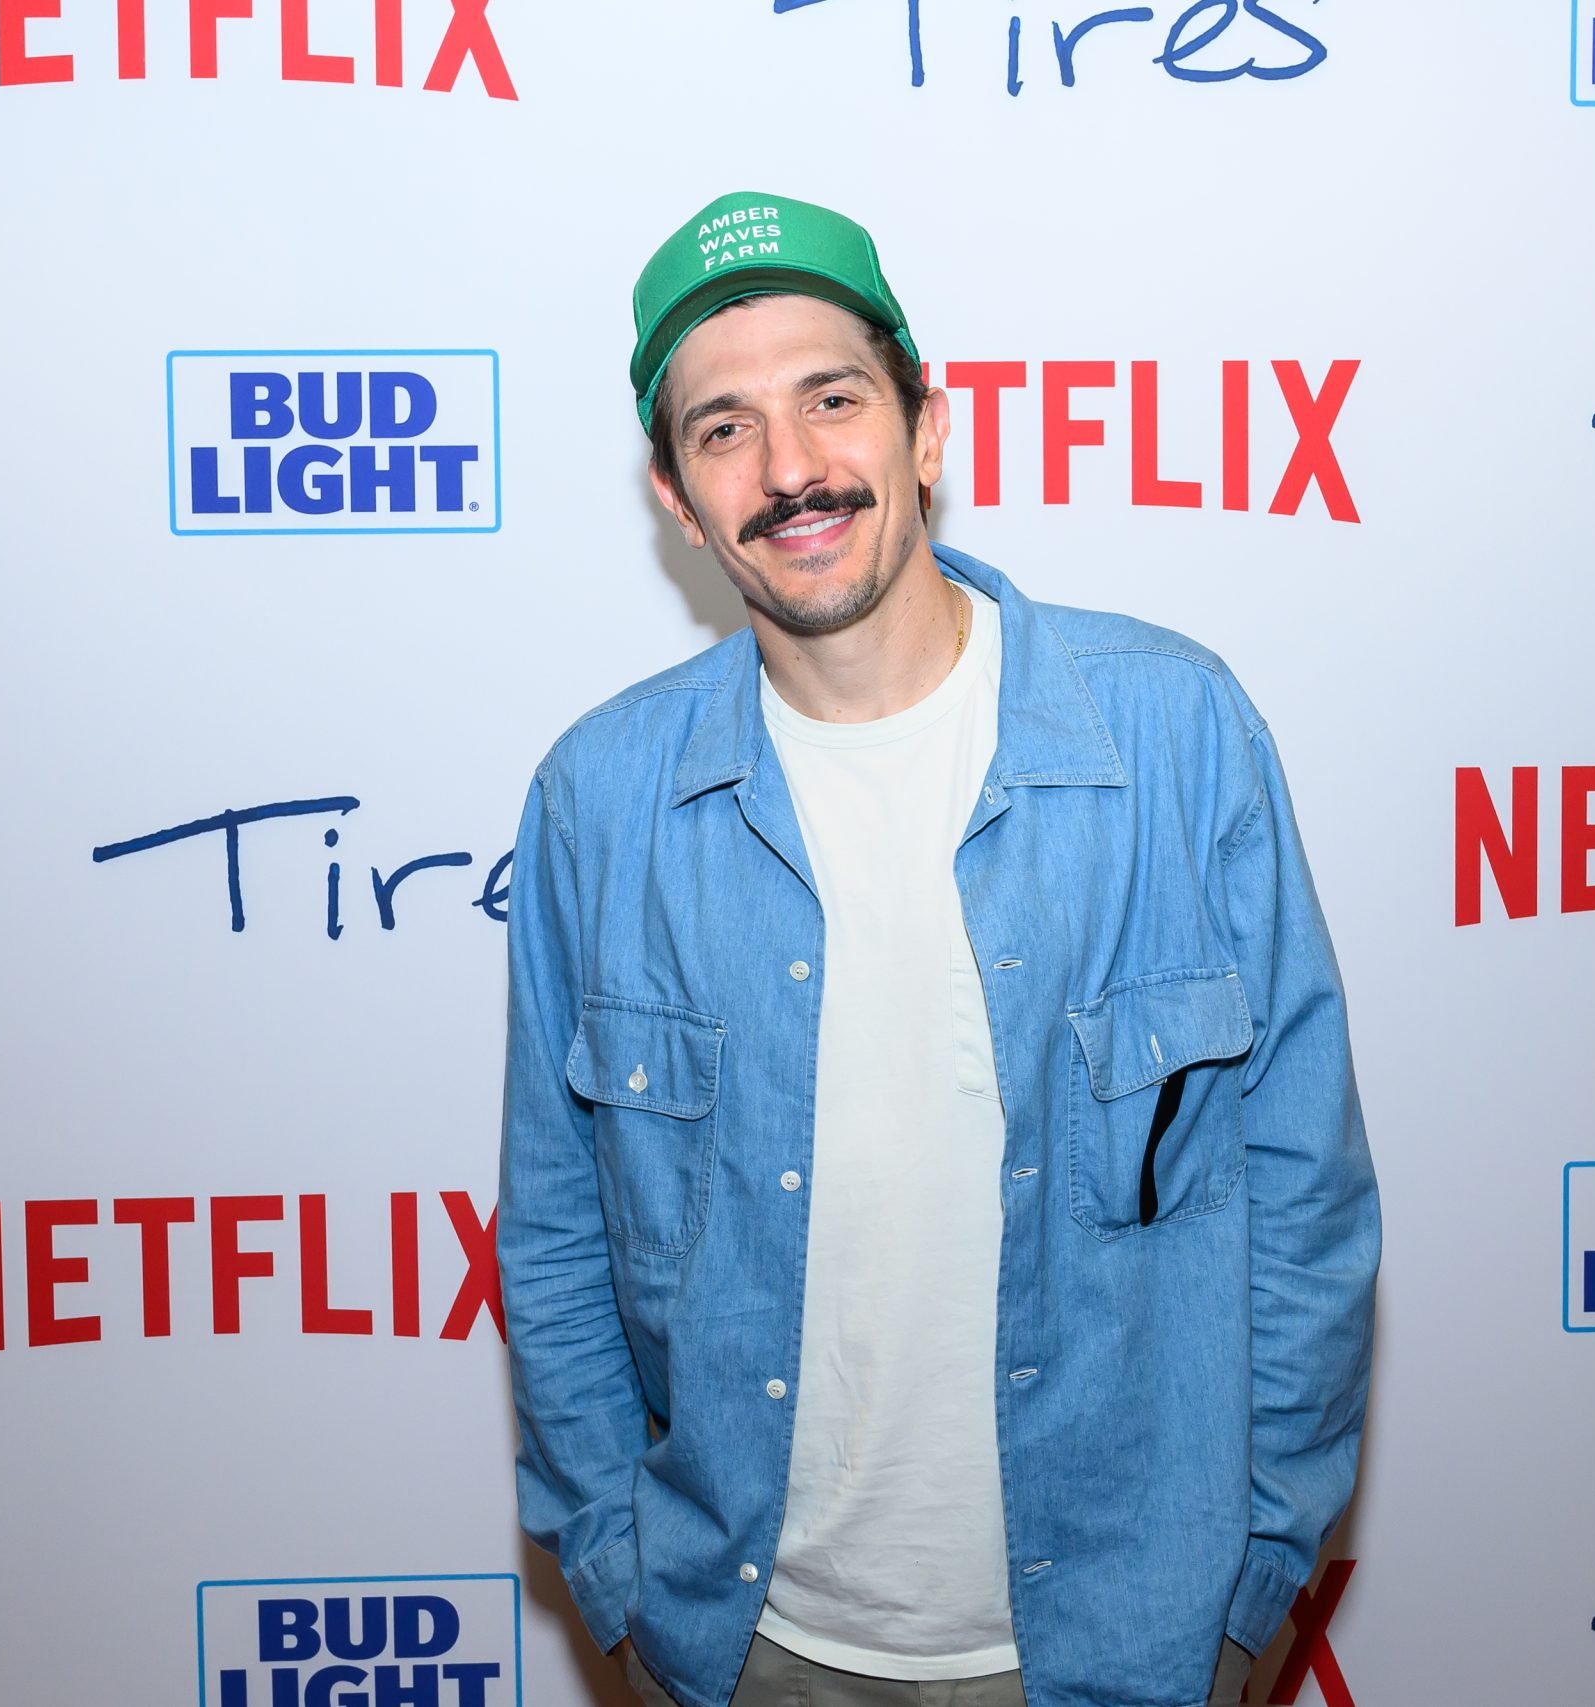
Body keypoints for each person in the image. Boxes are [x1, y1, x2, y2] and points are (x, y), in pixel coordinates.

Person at [498, 190, 1380, 1707]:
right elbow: (557, 1232)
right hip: (748, 1652)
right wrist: (624, 1600)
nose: (790, 468)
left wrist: (1249, 1597)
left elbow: (1305, 1198)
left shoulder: (1176, 733)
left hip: (1130, 1645)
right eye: (724, 429)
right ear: (675, 496)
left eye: (832, 399)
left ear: (928, 429)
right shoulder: (600, 800)